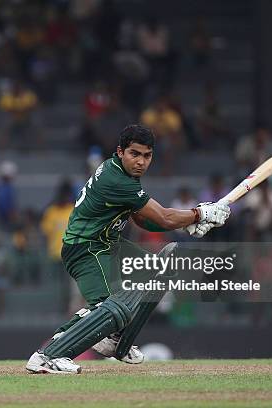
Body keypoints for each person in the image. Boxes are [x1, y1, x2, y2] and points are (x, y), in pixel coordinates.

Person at [25, 125, 230, 374]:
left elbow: (142, 219)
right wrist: (199, 214)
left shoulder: (124, 174)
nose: (141, 162)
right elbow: (164, 217)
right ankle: (48, 356)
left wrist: (188, 223)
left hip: (107, 243)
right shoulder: (117, 180)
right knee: (108, 307)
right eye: (135, 154)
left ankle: (118, 341)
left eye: (147, 155)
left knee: (160, 270)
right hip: (87, 248)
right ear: (120, 151)